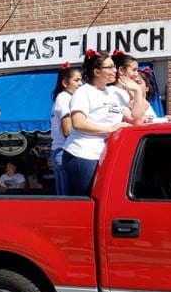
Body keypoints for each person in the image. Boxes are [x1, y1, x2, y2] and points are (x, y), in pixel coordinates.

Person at [62, 49, 147, 196]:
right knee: (86, 199)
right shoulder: (84, 92)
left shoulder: (114, 93)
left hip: (105, 153)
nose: (115, 70)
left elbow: (135, 120)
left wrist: (138, 92)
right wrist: (110, 129)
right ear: (96, 72)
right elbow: (78, 123)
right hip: (83, 153)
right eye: (110, 67)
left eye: (114, 66)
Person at [50, 63, 83, 196]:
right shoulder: (65, 100)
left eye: (81, 79)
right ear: (65, 83)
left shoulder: (61, 99)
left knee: (63, 196)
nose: (80, 83)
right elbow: (67, 131)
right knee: (68, 198)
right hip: (65, 152)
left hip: (58, 151)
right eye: (76, 80)